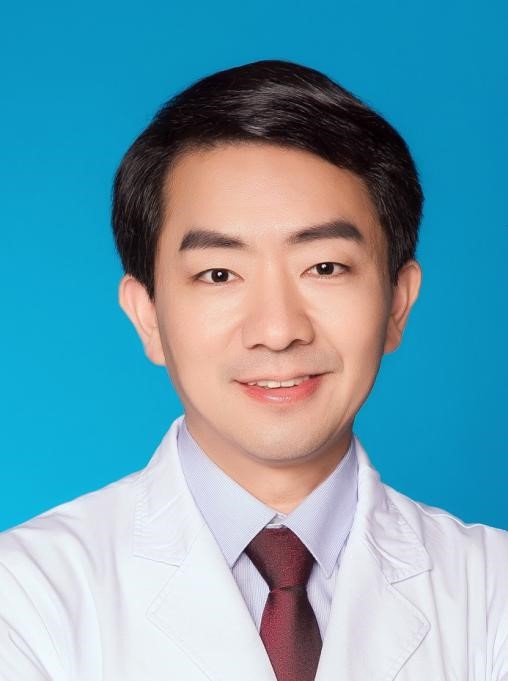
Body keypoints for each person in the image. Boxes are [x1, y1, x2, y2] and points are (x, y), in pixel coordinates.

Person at [0, 59, 506, 681]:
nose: (278, 329)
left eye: (324, 268)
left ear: (398, 303)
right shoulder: (22, 598)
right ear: (148, 316)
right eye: (219, 274)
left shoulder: (492, 594)